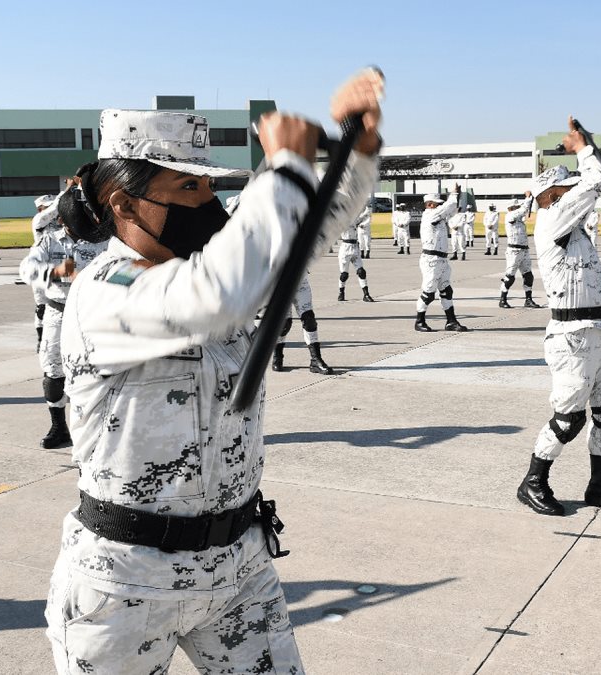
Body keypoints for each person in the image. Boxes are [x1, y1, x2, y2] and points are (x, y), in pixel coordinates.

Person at [42, 70, 382, 675]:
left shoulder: (215, 268)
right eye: (188, 188)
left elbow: (309, 234)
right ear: (123, 203)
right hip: (125, 583)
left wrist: (355, 151)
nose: (209, 203)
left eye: (209, 186)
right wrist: (280, 169)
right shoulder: (107, 290)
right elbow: (212, 296)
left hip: (238, 568)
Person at [517, 118, 601, 517]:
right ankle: (533, 481)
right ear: (550, 195)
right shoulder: (551, 222)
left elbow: (591, 186)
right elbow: (595, 182)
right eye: (565, 189)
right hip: (571, 337)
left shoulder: (577, 231)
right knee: (568, 420)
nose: (573, 193)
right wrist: (583, 147)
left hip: (599, 332)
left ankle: (599, 484)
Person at [19, 200, 109, 448]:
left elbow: (125, 271)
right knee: (53, 371)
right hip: (57, 312)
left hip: (92, 313)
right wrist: (57, 271)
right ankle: (59, 426)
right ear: (63, 221)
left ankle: (98, 429)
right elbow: (27, 270)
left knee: (98, 370)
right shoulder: (50, 240)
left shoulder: (103, 240)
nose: (86, 228)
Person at [416, 186, 469, 332]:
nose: (440, 206)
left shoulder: (437, 216)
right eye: (438, 204)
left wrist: (455, 198)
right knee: (428, 292)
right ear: (430, 204)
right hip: (431, 259)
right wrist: (454, 194)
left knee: (446, 290)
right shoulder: (429, 215)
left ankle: (451, 321)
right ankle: (419, 321)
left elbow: (451, 209)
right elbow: (449, 206)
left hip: (442, 260)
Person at [272, 270, 334, 374]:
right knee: (284, 324)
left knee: (309, 319)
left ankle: (316, 360)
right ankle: (277, 355)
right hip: (278, 283)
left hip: (300, 280)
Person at [498, 193, 541, 309]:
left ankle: (528, 299)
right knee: (510, 276)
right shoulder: (510, 216)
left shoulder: (519, 219)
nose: (518, 208)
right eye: (516, 207)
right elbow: (524, 209)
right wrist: (528, 198)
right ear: (511, 208)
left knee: (528, 275)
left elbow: (524, 211)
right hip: (514, 250)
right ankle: (503, 299)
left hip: (524, 250)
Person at [30, 195, 61, 350]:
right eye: (46, 207)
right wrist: (66, 191)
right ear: (39, 208)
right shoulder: (39, 219)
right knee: (41, 306)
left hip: (57, 268)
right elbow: (55, 208)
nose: (49, 209)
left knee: (58, 304)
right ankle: (41, 340)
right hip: (41, 268)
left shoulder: (58, 221)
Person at [337, 206, 375, 302]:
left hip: (355, 247)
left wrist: (368, 209)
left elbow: (362, 217)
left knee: (361, 272)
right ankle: (341, 292)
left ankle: (366, 294)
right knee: (344, 275)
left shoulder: (353, 220)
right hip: (345, 248)